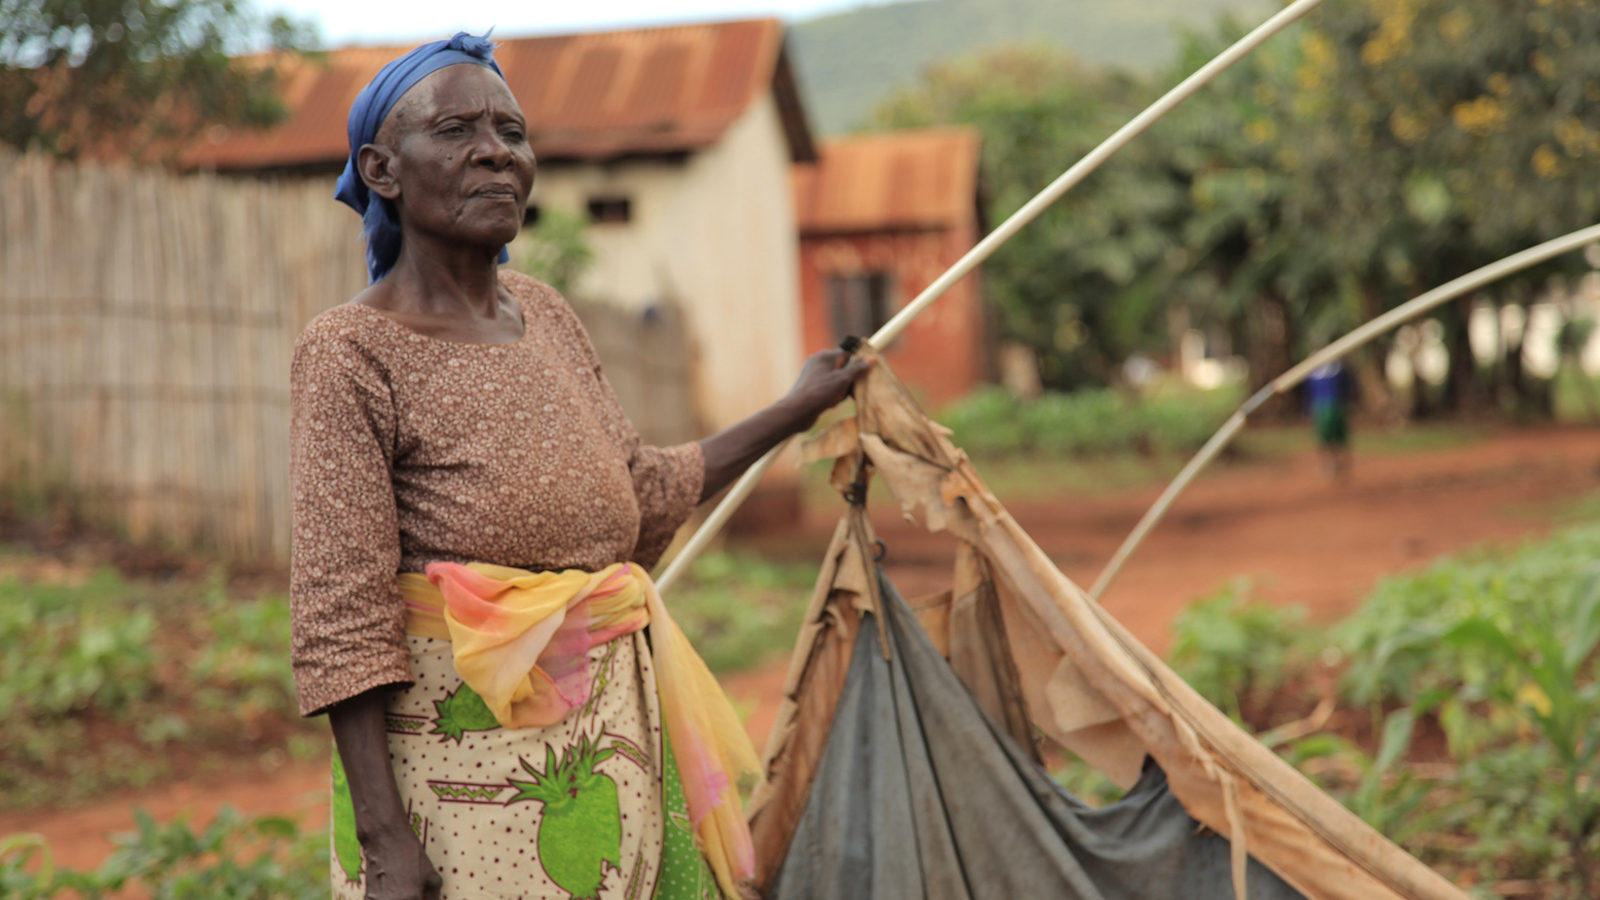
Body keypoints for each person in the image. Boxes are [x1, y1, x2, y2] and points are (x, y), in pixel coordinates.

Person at [290, 33, 868, 900]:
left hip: (608, 753)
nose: (495, 150)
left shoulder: (547, 315)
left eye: (511, 132)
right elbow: (342, 613)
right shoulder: (350, 351)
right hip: (460, 784)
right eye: (455, 131)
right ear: (382, 170)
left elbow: (640, 489)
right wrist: (384, 843)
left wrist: (795, 409)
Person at [1304, 358, 1350, 478]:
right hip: (1322, 407)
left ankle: (1336, 462)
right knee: (1325, 436)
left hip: (1332, 406)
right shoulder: (1315, 373)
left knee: (1335, 436)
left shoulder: (1336, 370)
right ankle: (1328, 463)